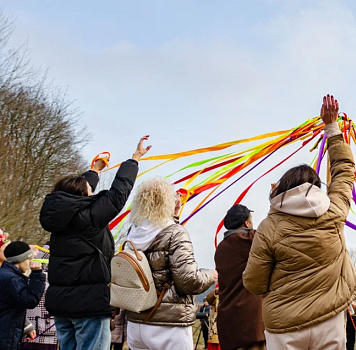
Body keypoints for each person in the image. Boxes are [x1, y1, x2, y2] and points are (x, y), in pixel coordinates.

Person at [243, 95, 356, 350]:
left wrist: (273, 202)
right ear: (316, 187)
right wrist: (332, 127)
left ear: (282, 190)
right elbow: (344, 169)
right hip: (330, 320)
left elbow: (254, 282)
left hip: (283, 327)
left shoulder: (268, 227)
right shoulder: (334, 211)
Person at [39, 136, 151, 350]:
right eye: (89, 191)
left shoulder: (57, 220)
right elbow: (118, 194)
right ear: (81, 196)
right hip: (89, 304)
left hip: (61, 304)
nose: (92, 194)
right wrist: (134, 159)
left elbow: (76, 197)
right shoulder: (90, 217)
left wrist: (94, 172)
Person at [125, 177, 217, 350]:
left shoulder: (133, 233)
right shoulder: (175, 233)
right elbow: (189, 281)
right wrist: (210, 275)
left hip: (136, 324)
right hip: (169, 325)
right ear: (169, 204)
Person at [214, 204, 266, 350]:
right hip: (250, 325)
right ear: (246, 223)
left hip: (228, 325)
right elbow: (274, 230)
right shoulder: (251, 240)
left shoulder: (221, 248)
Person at [0, 241, 46, 350]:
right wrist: (37, 274)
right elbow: (30, 300)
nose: (30, 263)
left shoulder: (5, 274)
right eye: (29, 259)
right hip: (5, 335)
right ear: (20, 259)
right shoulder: (12, 279)